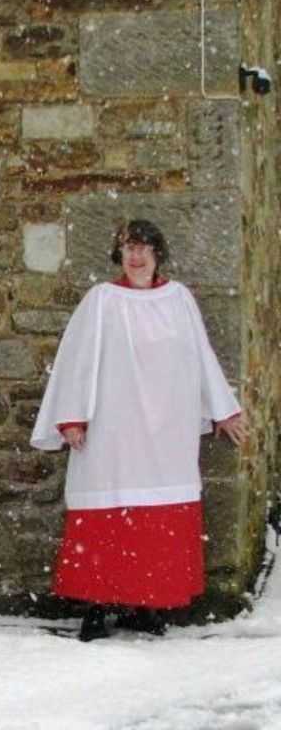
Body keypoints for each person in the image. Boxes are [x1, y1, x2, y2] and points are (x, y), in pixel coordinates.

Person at [30, 219, 247, 641]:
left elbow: (200, 354)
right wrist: (72, 417)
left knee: (157, 519)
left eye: (144, 247)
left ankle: (147, 605)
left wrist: (224, 409)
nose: (136, 255)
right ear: (120, 254)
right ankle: (96, 605)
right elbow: (77, 358)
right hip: (113, 425)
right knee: (106, 512)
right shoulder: (101, 300)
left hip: (168, 428)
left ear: (157, 253)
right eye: (129, 247)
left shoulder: (179, 299)